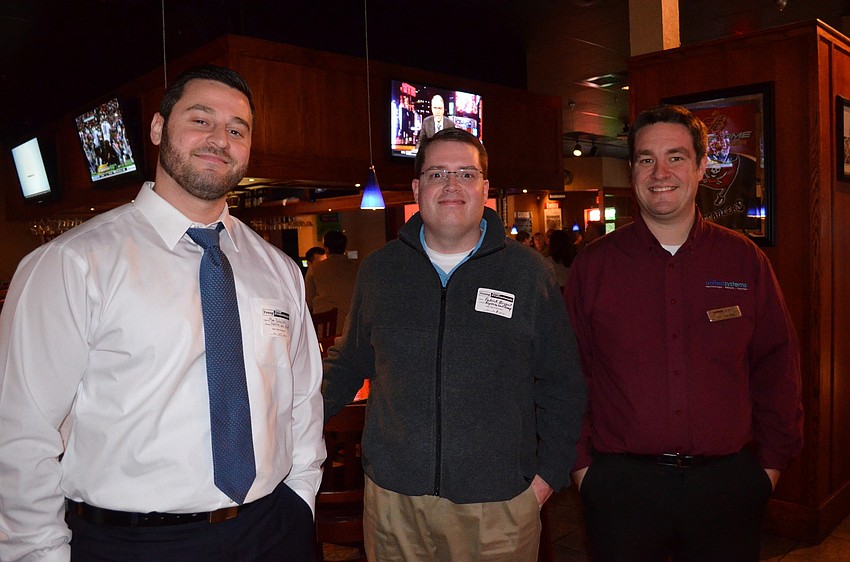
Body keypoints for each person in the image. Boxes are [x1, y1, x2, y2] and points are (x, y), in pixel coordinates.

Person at [0, 65, 325, 561]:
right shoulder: (71, 263)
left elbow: (302, 397)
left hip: (272, 530)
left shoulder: (277, 268)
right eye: (201, 120)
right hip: (132, 543)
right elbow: (21, 432)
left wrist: (300, 497)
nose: (220, 139)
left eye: (237, 130)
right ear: (157, 128)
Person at [323, 128, 586, 561]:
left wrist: (545, 480)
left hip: (499, 505)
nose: (451, 185)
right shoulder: (380, 271)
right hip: (394, 503)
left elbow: (563, 383)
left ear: (485, 188)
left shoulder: (527, 273)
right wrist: (288, 423)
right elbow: (349, 363)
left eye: (466, 174)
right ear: (417, 188)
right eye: (437, 174)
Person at [564, 104, 803, 561]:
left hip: (727, 487)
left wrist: (769, 467)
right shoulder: (593, 267)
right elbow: (568, 374)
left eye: (675, 157)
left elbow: (778, 366)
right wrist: (582, 470)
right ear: (633, 170)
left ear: (700, 166)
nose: (660, 172)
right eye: (646, 159)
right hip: (621, 489)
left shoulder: (744, 260)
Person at [305, 230, 359, 331]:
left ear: (326, 248)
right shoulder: (357, 268)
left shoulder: (315, 268)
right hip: (352, 325)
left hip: (325, 326)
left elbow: (308, 301)